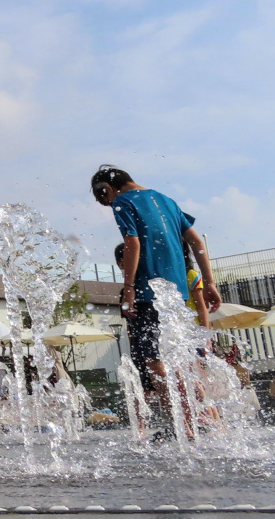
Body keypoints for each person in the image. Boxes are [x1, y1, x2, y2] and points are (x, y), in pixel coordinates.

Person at [93, 166, 221, 435]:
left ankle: (183, 425)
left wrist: (128, 287)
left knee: (153, 360)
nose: (109, 204)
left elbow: (133, 242)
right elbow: (196, 241)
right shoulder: (167, 200)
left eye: (104, 198)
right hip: (176, 294)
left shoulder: (123, 202)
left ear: (107, 188)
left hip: (147, 292)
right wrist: (209, 282)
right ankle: (203, 421)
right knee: (180, 359)